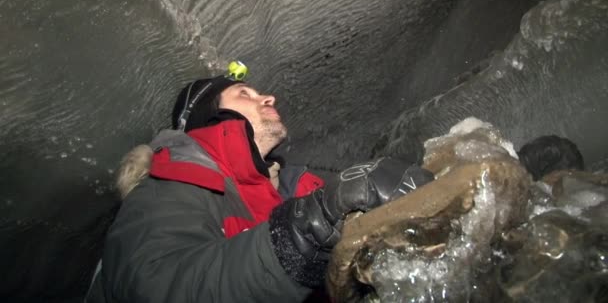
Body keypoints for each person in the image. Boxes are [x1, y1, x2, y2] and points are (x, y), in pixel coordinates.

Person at [86, 71, 434, 302]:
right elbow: (156, 287)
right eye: (244, 93)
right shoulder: (164, 187)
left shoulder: (295, 188)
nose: (267, 98)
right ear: (212, 117)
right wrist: (307, 231)